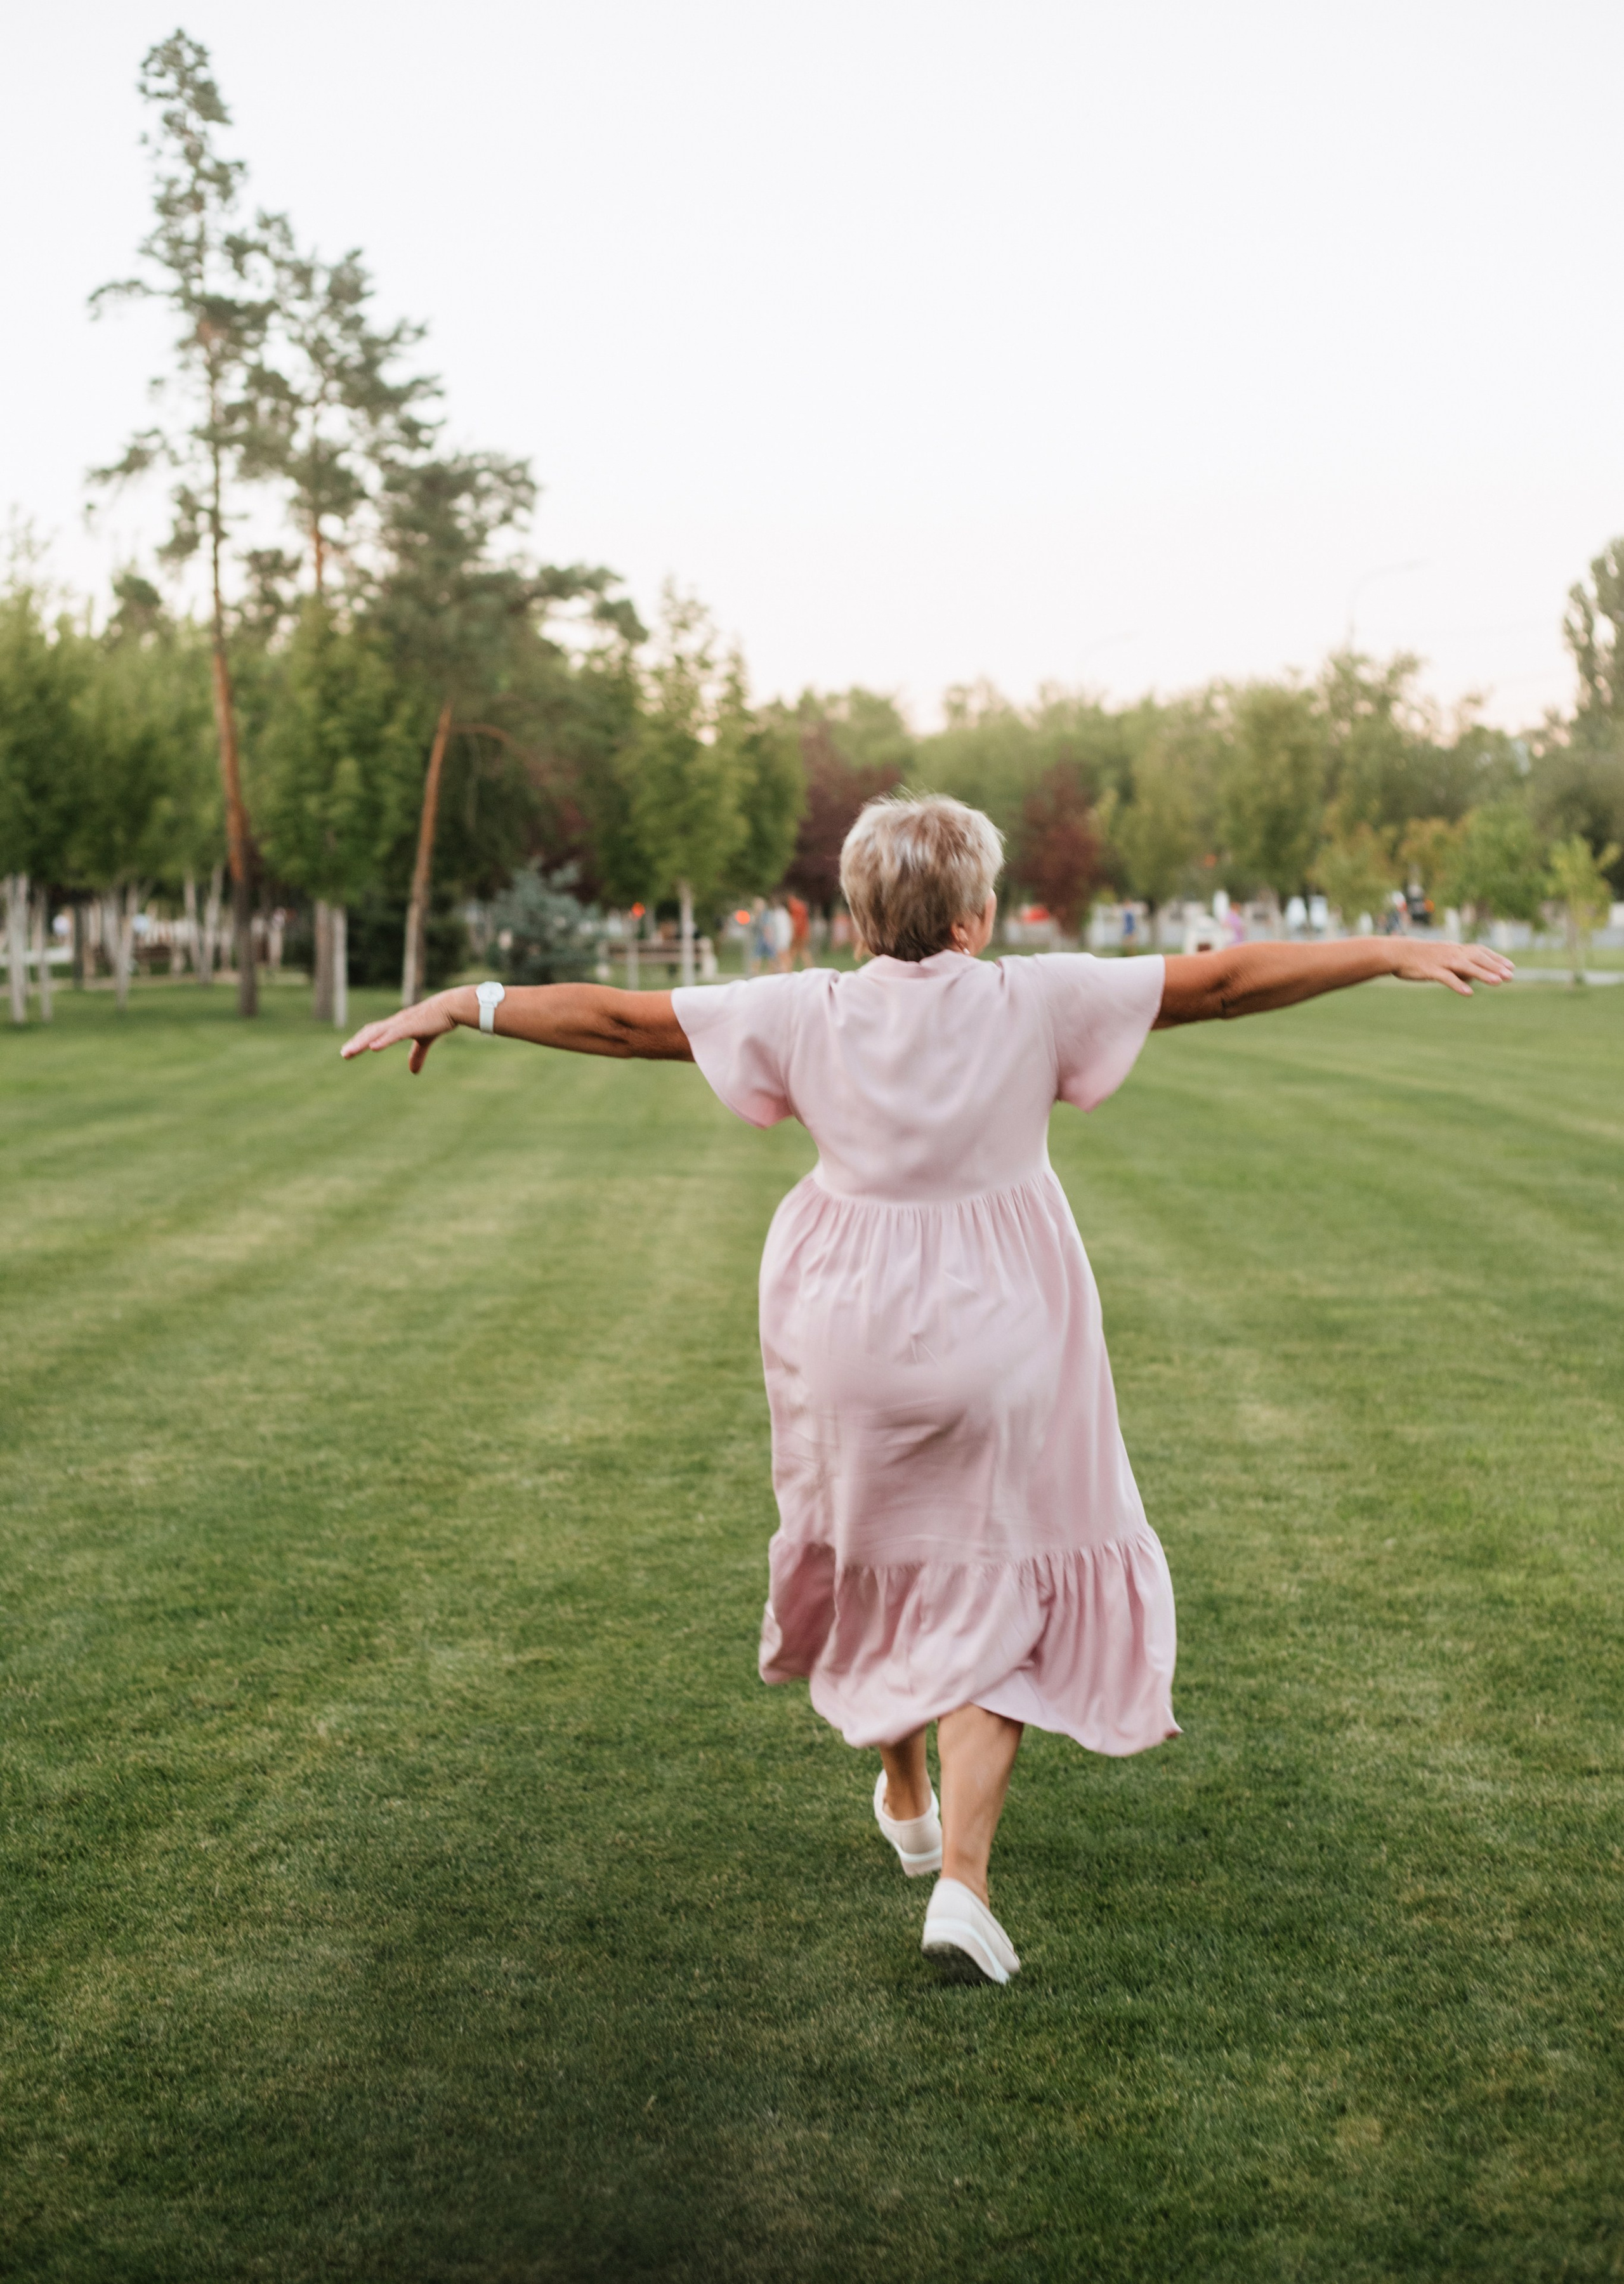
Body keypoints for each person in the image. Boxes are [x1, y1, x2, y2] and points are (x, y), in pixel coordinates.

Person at [341, 794, 1514, 1985]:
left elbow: (617, 1021)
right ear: (976, 916)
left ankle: (903, 1788)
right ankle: (961, 1881)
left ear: (854, 917)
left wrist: (467, 1003)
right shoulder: (1034, 994)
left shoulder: (798, 1007)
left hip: (840, 1318)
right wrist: (1385, 950)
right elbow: (1219, 983)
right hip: (1002, 1321)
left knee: (879, 1556)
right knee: (996, 1577)